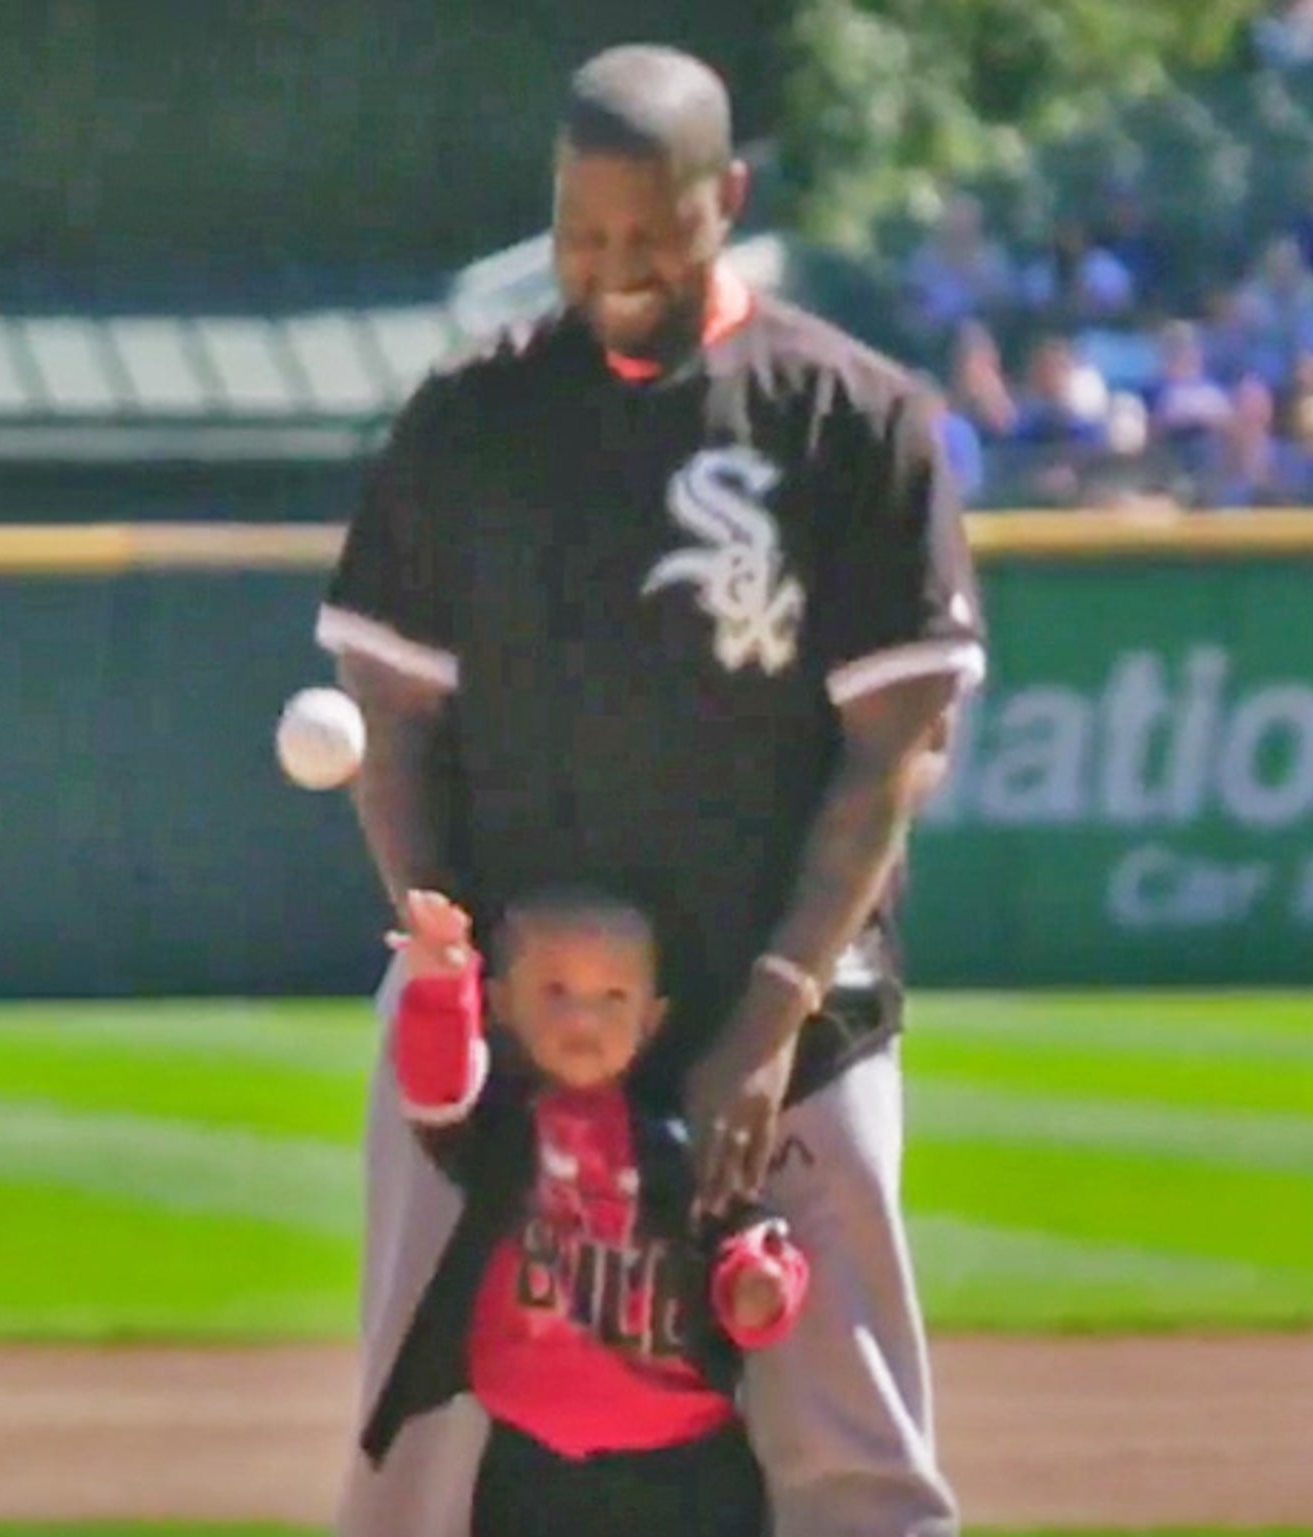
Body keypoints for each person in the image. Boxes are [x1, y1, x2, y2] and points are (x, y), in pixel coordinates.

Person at [317, 41, 984, 1537]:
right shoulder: (470, 419)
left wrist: (764, 1013)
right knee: (414, 1457)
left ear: (726, 199)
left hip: (792, 1019)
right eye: (582, 230)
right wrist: (458, 969)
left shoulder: (847, 420)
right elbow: (393, 709)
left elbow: (895, 749)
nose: (613, 266)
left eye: (651, 231)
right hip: (505, 1029)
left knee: (852, 1456)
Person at [361, 887, 809, 1536]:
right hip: (530, 1464)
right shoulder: (504, 1132)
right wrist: (441, 983)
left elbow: (739, 1230)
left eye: (613, 998)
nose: (583, 1019)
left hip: (686, 1468)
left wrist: (758, 1286)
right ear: (503, 1002)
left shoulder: (680, 1140)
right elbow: (437, 1091)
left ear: (652, 1017)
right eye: (555, 992)